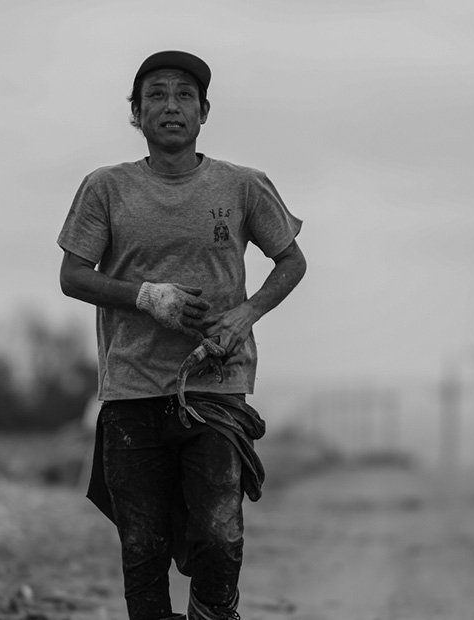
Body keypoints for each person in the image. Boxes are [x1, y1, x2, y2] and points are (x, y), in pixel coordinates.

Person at [57, 50, 306, 620]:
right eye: (156, 96)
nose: (171, 106)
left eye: (184, 95)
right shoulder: (105, 188)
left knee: (219, 541)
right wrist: (148, 296)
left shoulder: (243, 186)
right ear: (137, 115)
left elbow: (291, 261)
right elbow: (72, 276)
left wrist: (244, 314)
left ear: (204, 112)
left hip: (215, 388)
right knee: (143, 551)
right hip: (131, 391)